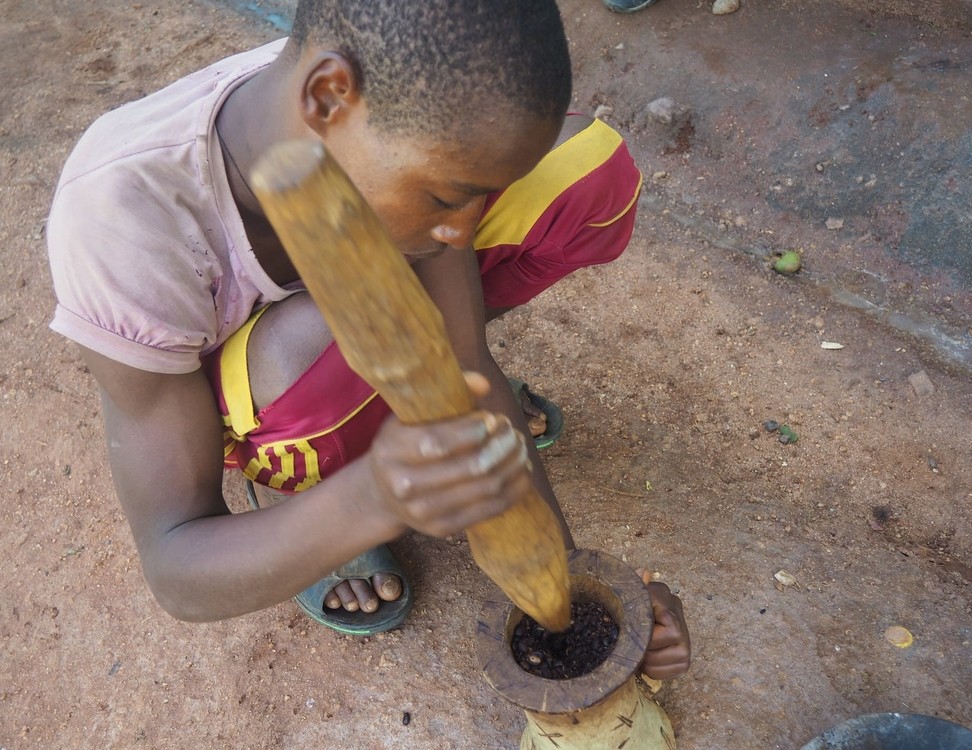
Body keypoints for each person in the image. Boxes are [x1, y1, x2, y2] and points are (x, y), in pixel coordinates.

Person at [47, 0, 690, 681]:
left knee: (587, 172)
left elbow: (465, 361)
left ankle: (382, 413)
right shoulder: (123, 222)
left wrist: (573, 594)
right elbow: (175, 566)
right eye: (449, 200)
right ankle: (304, 495)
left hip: (363, 302)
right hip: (252, 394)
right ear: (328, 96)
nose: (463, 231)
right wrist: (373, 499)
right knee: (311, 355)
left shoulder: (381, 135)